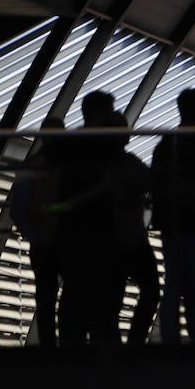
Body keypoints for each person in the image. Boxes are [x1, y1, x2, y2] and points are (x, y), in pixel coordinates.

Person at [151, 88, 195, 344]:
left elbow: (155, 184)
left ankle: (169, 338)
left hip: (172, 223)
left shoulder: (165, 145)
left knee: (173, 284)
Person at [51, 91, 122, 346]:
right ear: (102, 113)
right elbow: (110, 183)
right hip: (98, 230)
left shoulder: (69, 145)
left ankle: (72, 348)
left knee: (73, 291)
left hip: (70, 231)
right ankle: (103, 351)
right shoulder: (105, 147)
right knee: (102, 295)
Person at [8, 116, 65, 346]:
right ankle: (73, 344)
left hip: (42, 240)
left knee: (45, 295)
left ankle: (48, 347)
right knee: (74, 293)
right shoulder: (70, 166)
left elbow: (18, 208)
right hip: (66, 238)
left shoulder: (32, 165)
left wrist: (34, 235)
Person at [108, 111, 160, 344]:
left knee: (113, 297)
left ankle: (115, 345)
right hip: (133, 238)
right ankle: (135, 340)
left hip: (114, 240)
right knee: (150, 290)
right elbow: (151, 183)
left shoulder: (103, 165)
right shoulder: (130, 163)